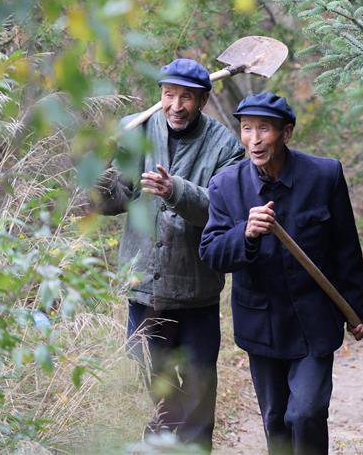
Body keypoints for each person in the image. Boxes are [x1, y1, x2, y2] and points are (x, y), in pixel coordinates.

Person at [198, 92, 363, 455]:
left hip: (315, 320)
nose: (255, 139)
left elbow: (345, 247)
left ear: (287, 133)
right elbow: (212, 252)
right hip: (261, 322)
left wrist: (359, 311)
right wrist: (244, 232)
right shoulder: (225, 186)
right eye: (247, 129)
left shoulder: (324, 176)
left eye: (265, 129)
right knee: (276, 419)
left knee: (306, 412)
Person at [94, 58, 244, 449]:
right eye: (169, 95)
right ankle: (166, 434)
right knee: (151, 375)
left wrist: (175, 190)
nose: (176, 105)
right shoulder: (137, 130)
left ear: (204, 100)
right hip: (144, 284)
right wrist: (100, 174)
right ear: (160, 95)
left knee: (197, 384)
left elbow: (222, 210)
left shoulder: (225, 146)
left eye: (187, 98)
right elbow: (110, 203)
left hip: (196, 291)